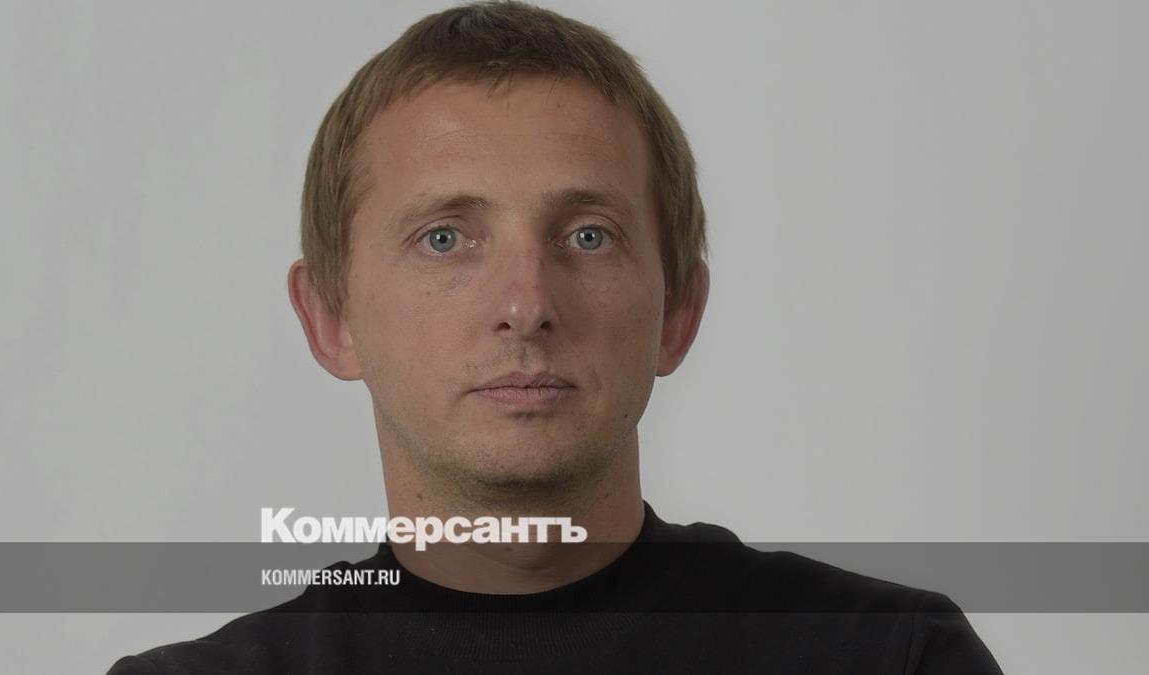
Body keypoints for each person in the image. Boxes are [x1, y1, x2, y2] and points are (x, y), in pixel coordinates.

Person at [109, 1, 1003, 672]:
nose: (526, 304)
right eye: (445, 238)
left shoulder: (893, 657)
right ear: (330, 318)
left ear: (678, 312)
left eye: (587, 235)